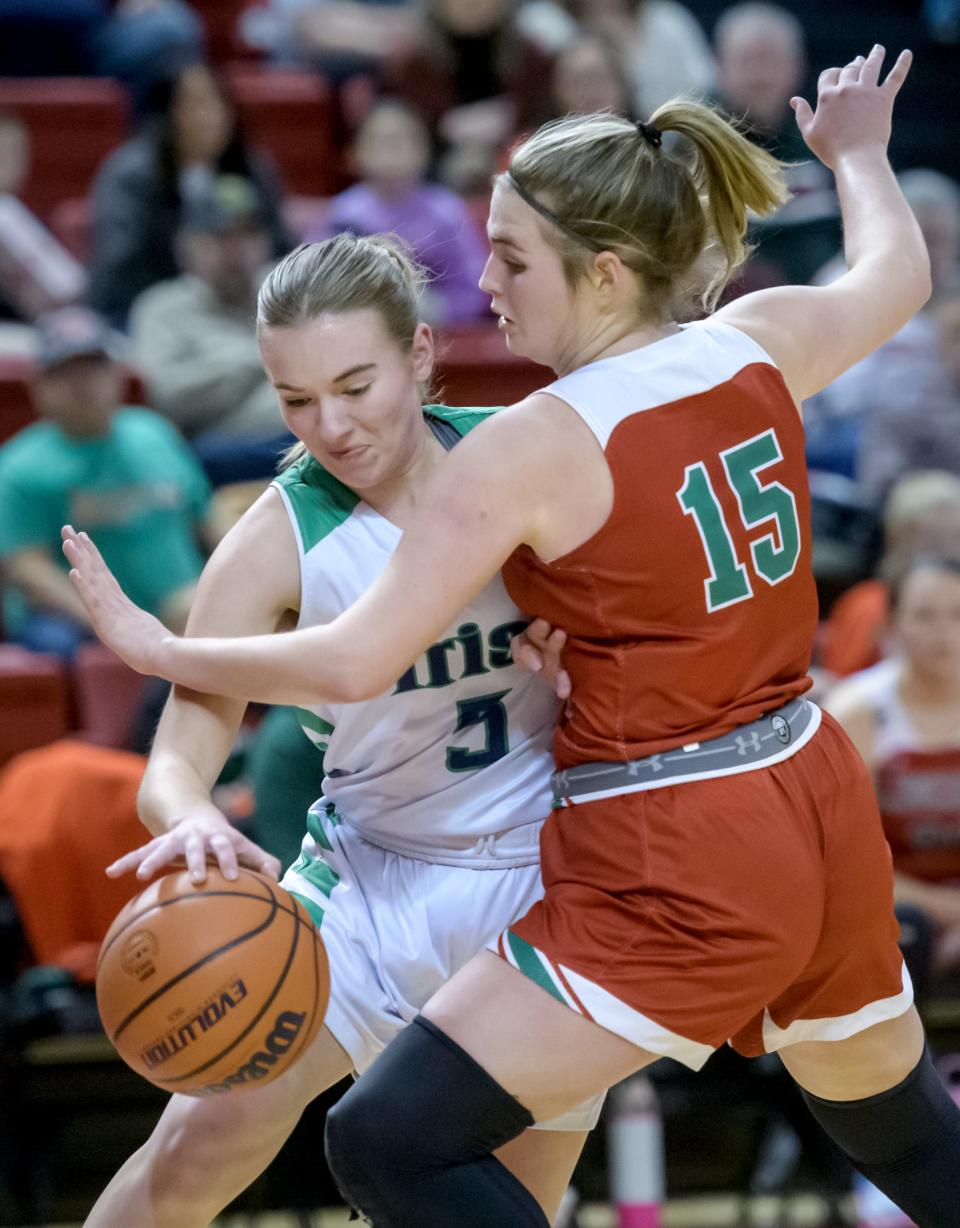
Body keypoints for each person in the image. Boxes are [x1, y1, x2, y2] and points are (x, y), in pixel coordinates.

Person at [63, 46, 960, 1228]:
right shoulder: (754, 337)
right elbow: (897, 275)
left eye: (511, 255)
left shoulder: (521, 451)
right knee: (888, 1115)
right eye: (292, 400)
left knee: (401, 1151)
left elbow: (353, 660)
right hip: (725, 798)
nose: (482, 278)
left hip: (613, 853)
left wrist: (155, 645)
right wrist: (858, 157)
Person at [78, 232, 598, 1228]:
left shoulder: (527, 462)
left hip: (547, 889)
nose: (332, 425)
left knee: (490, 1214)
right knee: (195, 1149)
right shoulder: (278, 536)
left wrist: (594, 680)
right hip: (364, 883)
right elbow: (175, 762)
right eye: (297, 399)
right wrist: (187, 819)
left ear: (419, 354)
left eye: (356, 385)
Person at [0, 305, 209, 659]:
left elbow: (205, 517)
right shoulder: (19, 466)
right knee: (54, 644)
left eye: (93, 368)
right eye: (65, 373)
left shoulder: (154, 432)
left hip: (185, 603)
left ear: (116, 374)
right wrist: (110, 620)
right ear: (39, 386)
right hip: (84, 621)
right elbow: (26, 567)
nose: (82, 384)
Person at [826, 555, 960, 998]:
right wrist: (945, 909)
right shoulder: (855, 712)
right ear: (892, 624)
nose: (943, 632)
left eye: (957, 613)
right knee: (905, 929)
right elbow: (843, 859)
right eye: (924, 615)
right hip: (893, 902)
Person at [88, 61, 290, 328]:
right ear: (166, 113)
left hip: (242, 308)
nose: (208, 117)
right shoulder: (130, 175)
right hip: (155, 311)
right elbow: (121, 268)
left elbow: (281, 248)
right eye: (193, 105)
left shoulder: (250, 167)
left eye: (217, 103)